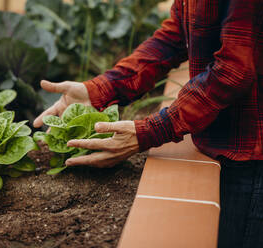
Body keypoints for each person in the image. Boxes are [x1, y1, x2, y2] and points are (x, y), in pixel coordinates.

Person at [33, 0, 262, 247]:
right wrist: (99, 89)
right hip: (223, 140)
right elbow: (174, 38)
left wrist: (151, 130)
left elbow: (232, 71)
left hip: (251, 154)